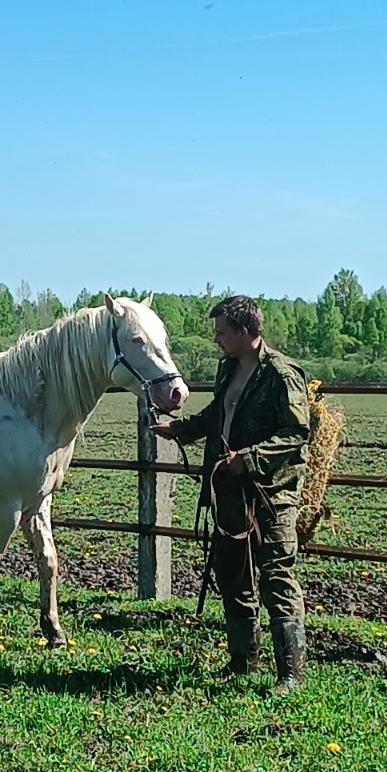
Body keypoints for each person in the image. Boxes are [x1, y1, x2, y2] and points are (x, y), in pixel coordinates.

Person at [151, 295, 311, 692]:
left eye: (222, 332)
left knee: (277, 576)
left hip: (272, 493)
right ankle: (242, 661)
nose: (216, 339)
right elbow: (217, 415)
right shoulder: (228, 369)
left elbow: (296, 433)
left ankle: (291, 674)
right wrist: (180, 430)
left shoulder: (282, 374)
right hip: (229, 492)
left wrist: (250, 458)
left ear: (244, 331)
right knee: (233, 574)